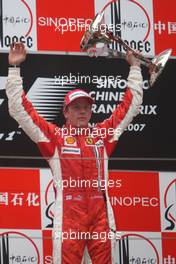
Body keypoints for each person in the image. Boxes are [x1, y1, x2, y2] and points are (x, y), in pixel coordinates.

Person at [6, 42, 143, 264]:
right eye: (76, 107)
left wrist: (135, 68)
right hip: (69, 220)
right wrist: (14, 69)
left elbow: (130, 106)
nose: (82, 111)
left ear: (91, 111)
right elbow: (19, 110)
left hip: (101, 219)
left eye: (86, 107)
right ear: (66, 111)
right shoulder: (55, 137)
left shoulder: (102, 135)